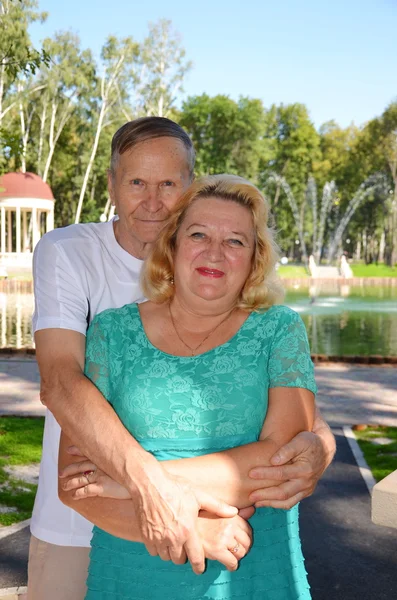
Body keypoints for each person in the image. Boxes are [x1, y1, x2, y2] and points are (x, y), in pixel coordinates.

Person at [29, 117, 335, 599]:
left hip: (246, 567)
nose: (152, 201)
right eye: (136, 182)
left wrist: (125, 483)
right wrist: (182, 519)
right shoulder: (93, 297)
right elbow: (62, 387)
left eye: (168, 184)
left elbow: (280, 444)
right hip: (105, 546)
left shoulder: (275, 328)